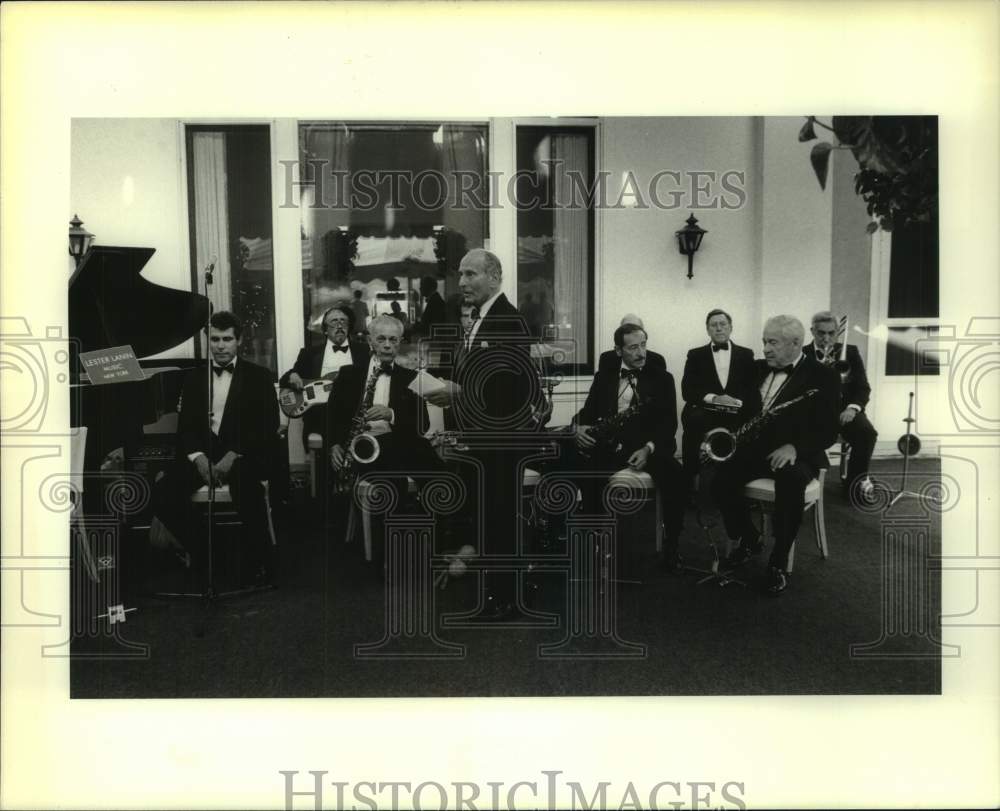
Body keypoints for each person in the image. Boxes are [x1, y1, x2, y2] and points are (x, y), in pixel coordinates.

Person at [423, 248, 542, 619]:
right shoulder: (479, 319)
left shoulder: (510, 320)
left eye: (471, 274)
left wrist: (458, 391)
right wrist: (451, 389)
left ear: (495, 277)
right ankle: (496, 591)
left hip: (504, 441)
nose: (462, 282)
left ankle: (505, 600)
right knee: (487, 515)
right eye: (460, 275)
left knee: (501, 517)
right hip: (482, 439)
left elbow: (508, 388)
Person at [710, 315, 840, 595]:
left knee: (790, 481)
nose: (766, 349)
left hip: (799, 454)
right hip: (756, 450)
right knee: (718, 477)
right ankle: (750, 537)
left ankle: (778, 561)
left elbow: (829, 430)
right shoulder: (756, 369)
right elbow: (743, 412)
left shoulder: (823, 375)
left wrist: (795, 448)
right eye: (764, 342)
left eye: (773, 343)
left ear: (796, 344)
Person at [152, 311, 279, 585]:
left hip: (243, 454)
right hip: (203, 454)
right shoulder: (194, 377)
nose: (221, 346)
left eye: (228, 339)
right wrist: (198, 459)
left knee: (248, 490)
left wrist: (232, 456)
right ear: (209, 340)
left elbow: (267, 427)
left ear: (239, 341)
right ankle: (209, 551)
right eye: (216, 339)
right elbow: (185, 427)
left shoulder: (259, 376)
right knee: (162, 494)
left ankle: (259, 560)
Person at [558, 322, 686, 570]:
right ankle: (594, 541)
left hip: (647, 447)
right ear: (619, 351)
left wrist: (648, 448)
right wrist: (577, 428)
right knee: (587, 469)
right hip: (610, 445)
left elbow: (669, 423)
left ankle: (672, 545)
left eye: (644, 345)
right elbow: (587, 412)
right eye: (633, 348)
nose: (641, 353)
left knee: (676, 475)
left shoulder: (663, 378)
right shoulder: (604, 376)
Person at [327, 315, 442, 496]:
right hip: (361, 448)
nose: (387, 345)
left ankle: (437, 520)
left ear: (399, 343)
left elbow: (423, 425)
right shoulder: (348, 373)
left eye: (393, 340)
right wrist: (334, 445)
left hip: (399, 444)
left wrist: (392, 414)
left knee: (438, 475)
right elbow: (331, 415)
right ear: (370, 341)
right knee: (394, 482)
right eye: (381, 339)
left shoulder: (411, 378)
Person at [802, 311, 877, 500]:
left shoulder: (850, 352)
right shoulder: (803, 354)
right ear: (812, 331)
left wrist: (852, 408)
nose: (826, 338)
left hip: (844, 412)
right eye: (821, 333)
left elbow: (862, 388)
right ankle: (804, 482)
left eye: (831, 333)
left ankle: (853, 485)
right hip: (812, 414)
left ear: (837, 333)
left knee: (867, 433)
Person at [679, 308, 757, 491]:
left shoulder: (747, 354)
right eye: (714, 325)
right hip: (706, 412)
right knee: (692, 421)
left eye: (723, 324)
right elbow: (687, 390)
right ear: (707, 330)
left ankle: (741, 483)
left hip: (737, 413)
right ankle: (690, 483)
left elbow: (752, 389)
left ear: (731, 328)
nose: (719, 328)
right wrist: (714, 398)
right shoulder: (695, 354)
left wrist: (735, 402)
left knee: (753, 425)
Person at [279, 304, 370, 452]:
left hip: (353, 416)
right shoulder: (309, 354)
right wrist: (293, 375)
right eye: (334, 321)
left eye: (343, 321)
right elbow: (285, 379)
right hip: (321, 419)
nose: (339, 325)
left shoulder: (363, 351)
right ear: (325, 329)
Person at [597, 314, 667, 374]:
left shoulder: (657, 360)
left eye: (637, 329)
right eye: (627, 330)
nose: (641, 353)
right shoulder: (606, 358)